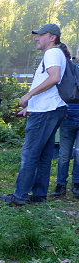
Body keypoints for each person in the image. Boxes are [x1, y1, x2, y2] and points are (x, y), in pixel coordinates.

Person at [0, 24, 68, 205]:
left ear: (52, 37)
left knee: (30, 154)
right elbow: (52, 86)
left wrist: (29, 95)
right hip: (51, 109)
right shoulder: (57, 54)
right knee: (44, 156)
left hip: (46, 112)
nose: (36, 38)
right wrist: (30, 107)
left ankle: (20, 195)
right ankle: (39, 196)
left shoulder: (52, 53)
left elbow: (54, 78)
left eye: (40, 35)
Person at [53, 45, 79, 198]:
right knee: (64, 154)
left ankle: (76, 183)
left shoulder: (73, 71)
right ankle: (61, 184)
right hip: (67, 120)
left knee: (77, 153)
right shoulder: (59, 74)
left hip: (73, 118)